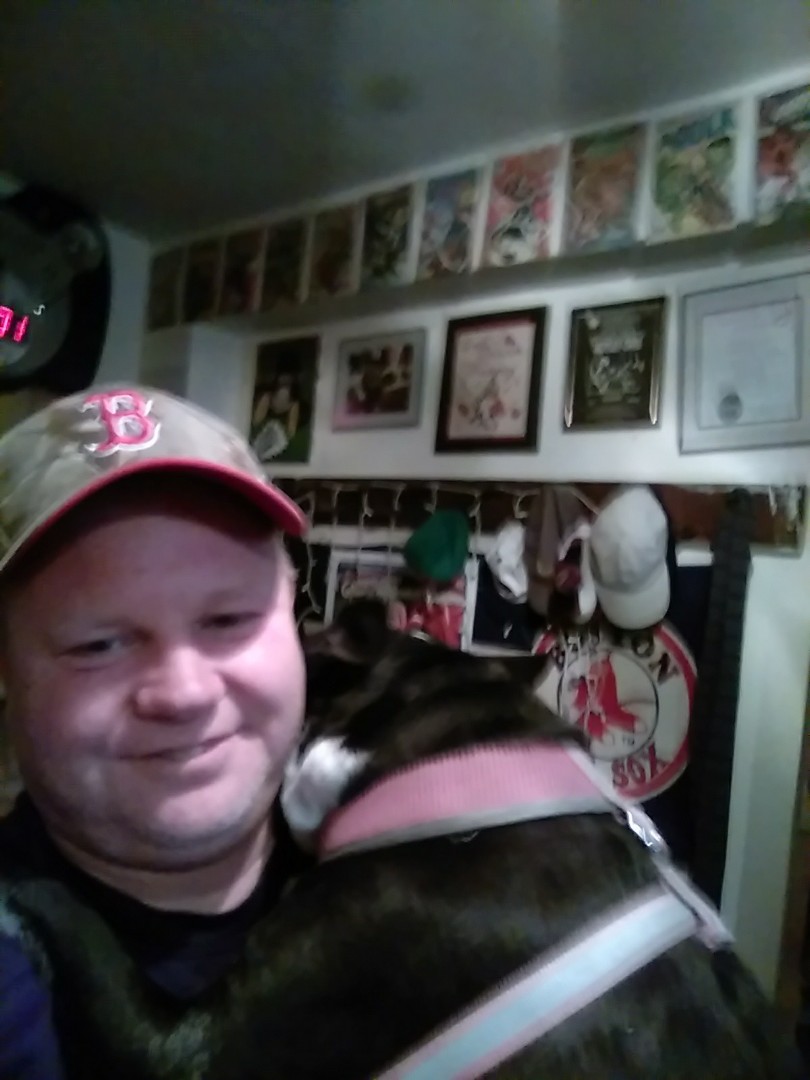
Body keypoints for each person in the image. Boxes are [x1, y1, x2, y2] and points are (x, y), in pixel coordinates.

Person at [0, 386, 310, 1078]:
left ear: (293, 609)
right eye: (99, 644)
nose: (185, 692)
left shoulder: (442, 859)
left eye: (228, 620)